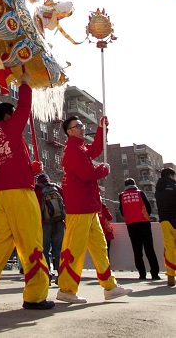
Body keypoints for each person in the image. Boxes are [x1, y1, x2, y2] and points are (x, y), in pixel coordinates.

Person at [0, 73, 54, 311]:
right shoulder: (10, 125)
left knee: (1, 242)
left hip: (2, 192)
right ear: (8, 115)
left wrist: (31, 168)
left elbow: (6, 160)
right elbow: (25, 108)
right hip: (18, 192)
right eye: (14, 114)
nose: (19, 118)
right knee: (31, 241)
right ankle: (36, 295)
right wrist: (26, 84)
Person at [55, 116, 132, 304]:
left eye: (82, 125)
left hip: (89, 208)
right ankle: (66, 289)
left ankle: (110, 287)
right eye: (78, 126)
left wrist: (101, 129)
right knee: (74, 250)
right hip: (79, 208)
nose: (82, 128)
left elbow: (97, 149)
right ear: (69, 131)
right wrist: (103, 169)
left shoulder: (80, 148)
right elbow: (88, 174)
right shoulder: (72, 151)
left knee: (100, 248)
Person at [119, 178, 160, 280]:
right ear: (134, 184)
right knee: (149, 249)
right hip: (144, 223)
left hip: (131, 225)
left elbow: (122, 211)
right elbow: (148, 207)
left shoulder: (121, 195)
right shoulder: (140, 193)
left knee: (137, 250)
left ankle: (142, 274)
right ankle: (154, 273)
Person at [34, 172, 65, 283]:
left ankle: (46, 275)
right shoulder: (56, 187)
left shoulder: (36, 189)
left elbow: (34, 207)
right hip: (59, 222)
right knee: (59, 249)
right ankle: (62, 275)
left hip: (43, 223)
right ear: (48, 179)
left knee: (44, 250)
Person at [155, 167, 176, 287]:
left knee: (169, 248)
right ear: (170, 176)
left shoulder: (158, 189)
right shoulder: (174, 187)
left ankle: (170, 275)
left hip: (164, 221)